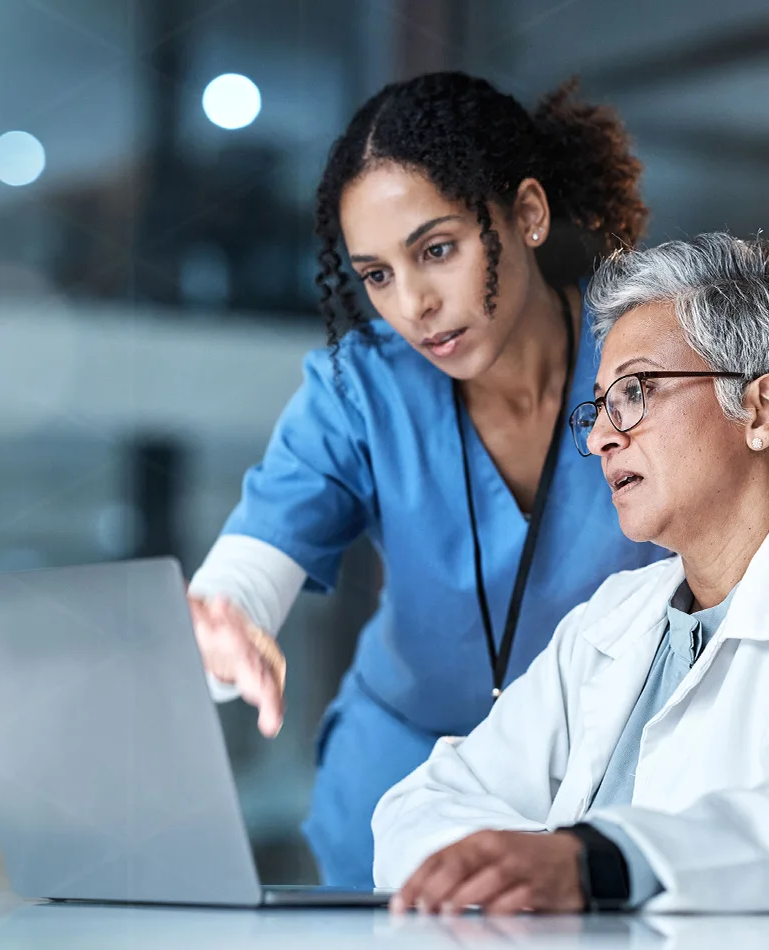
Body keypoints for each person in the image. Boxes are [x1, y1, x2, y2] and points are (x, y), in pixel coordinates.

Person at [187, 71, 664, 887]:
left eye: (436, 250)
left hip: (611, 781)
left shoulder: (652, 366)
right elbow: (262, 544)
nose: (414, 306)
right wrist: (227, 617)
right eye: (376, 275)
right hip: (397, 786)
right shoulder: (362, 391)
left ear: (528, 215)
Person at [373, 232, 769, 914]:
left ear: (758, 409)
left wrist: (595, 863)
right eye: (599, 405)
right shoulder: (611, 623)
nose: (598, 437)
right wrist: (538, 865)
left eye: (637, 391)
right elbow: (417, 807)